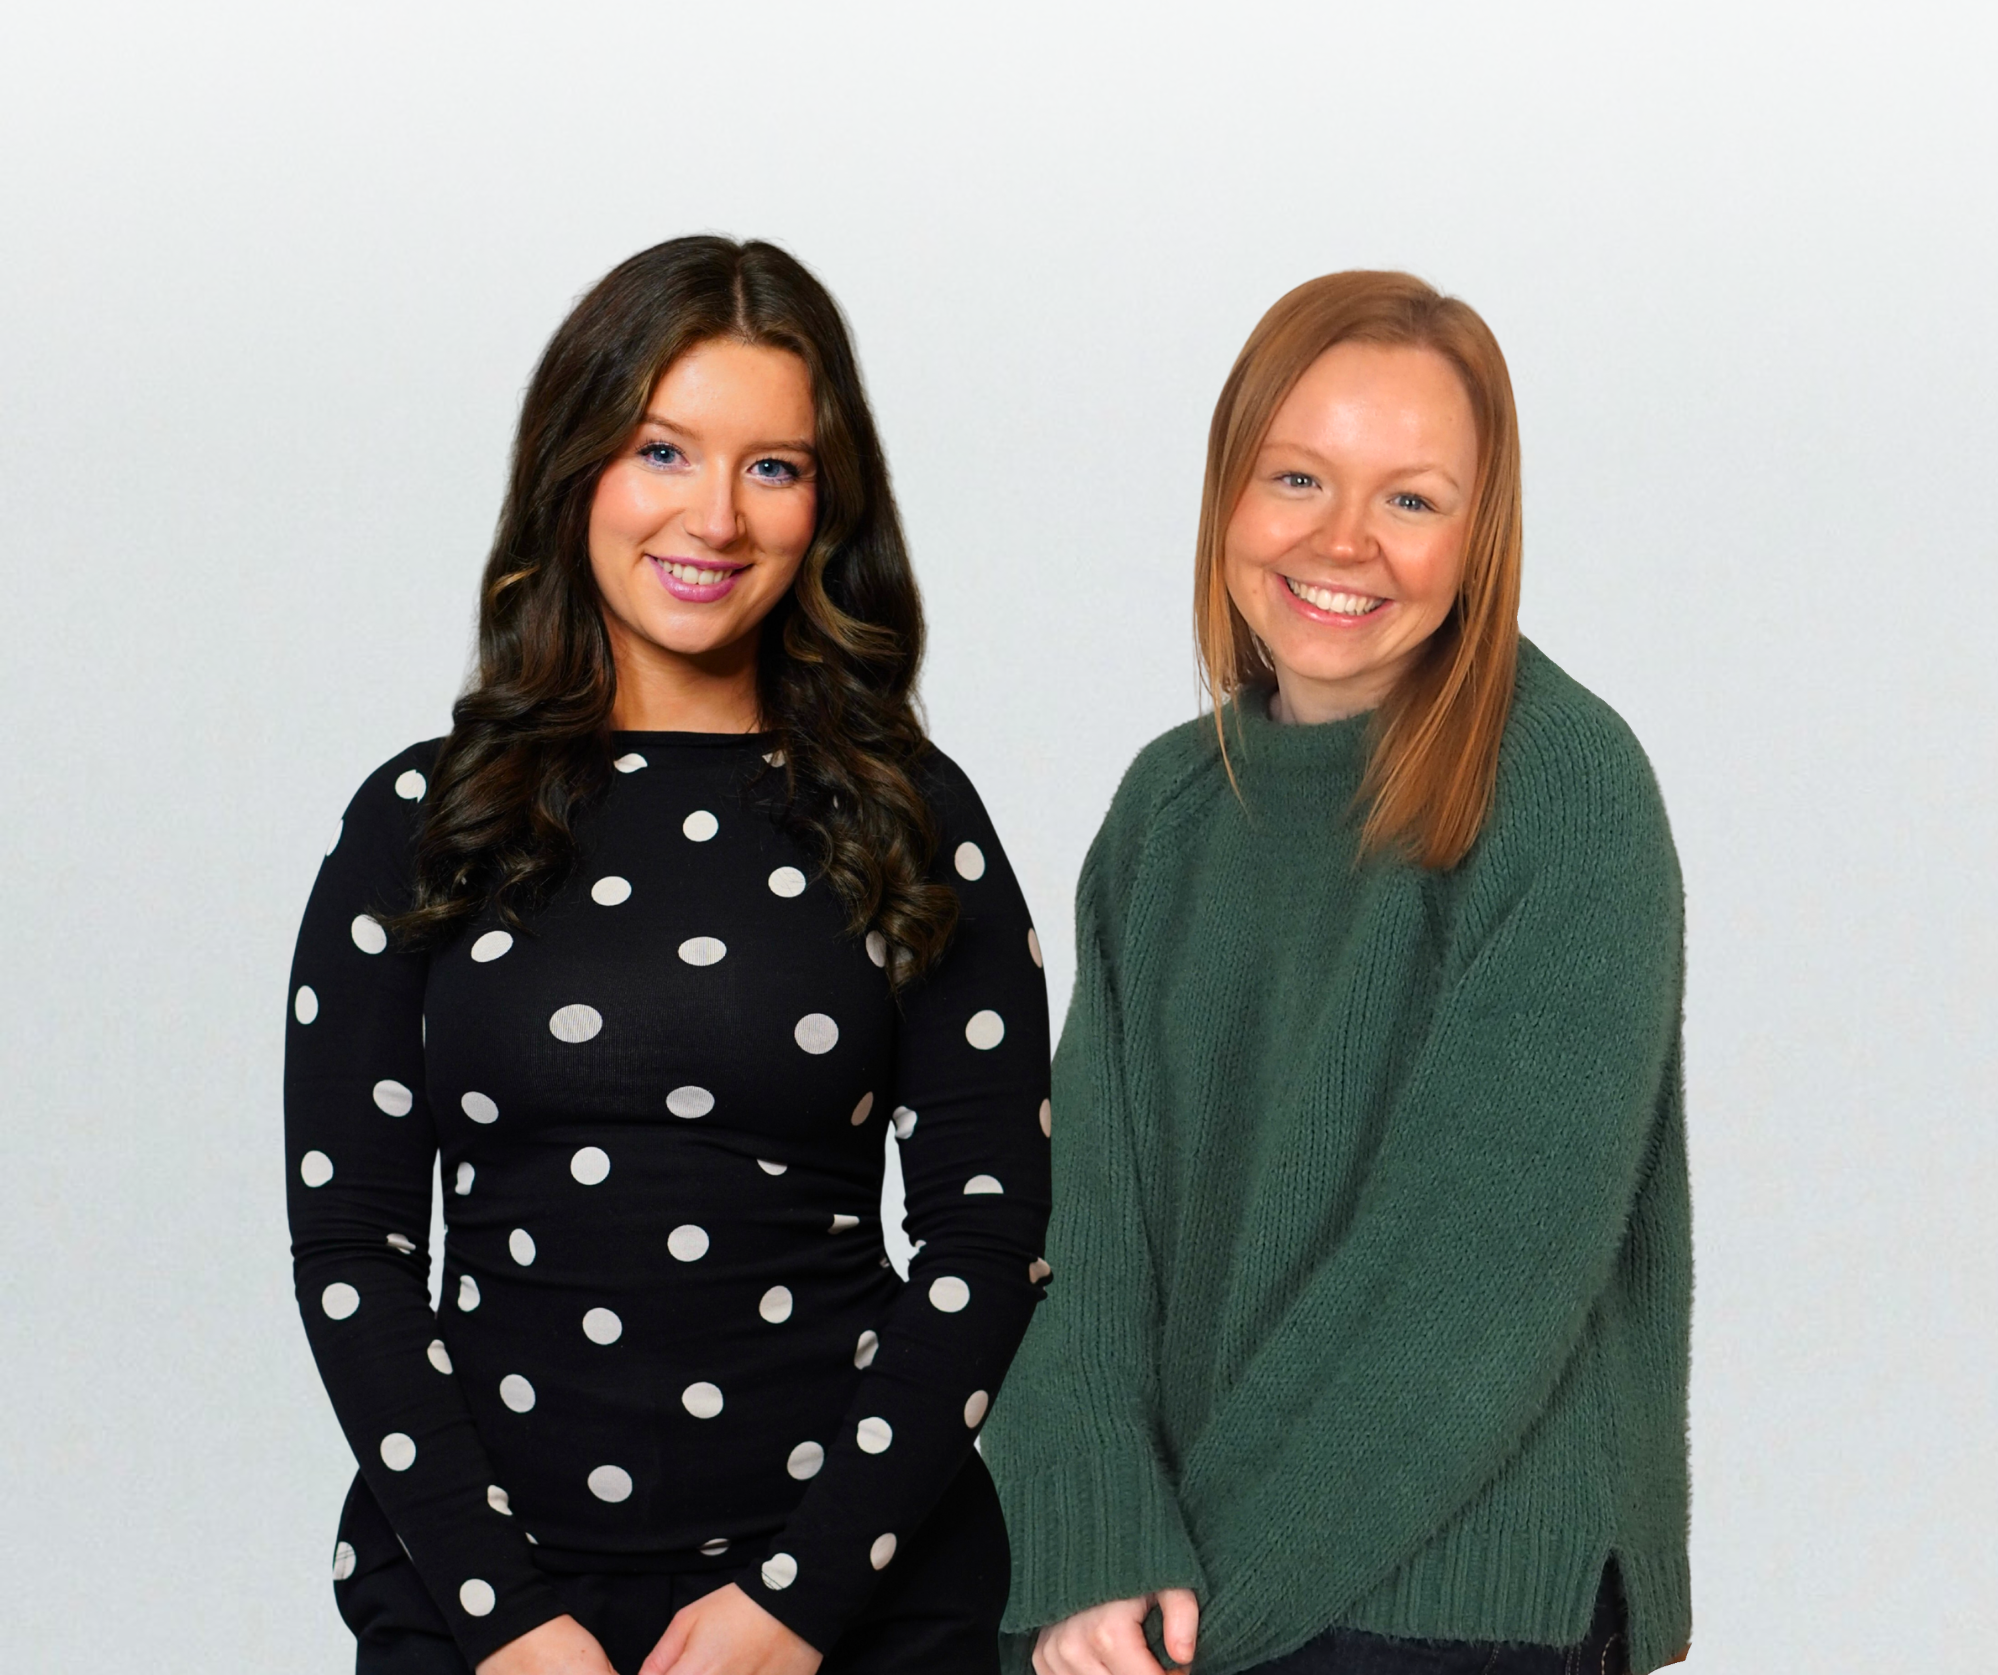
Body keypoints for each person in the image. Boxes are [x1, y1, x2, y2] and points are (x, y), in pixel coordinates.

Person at [284, 236, 1052, 1675]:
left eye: (774, 465)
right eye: (662, 450)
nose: (716, 515)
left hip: (855, 1595)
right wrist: (504, 1622)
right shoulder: (417, 819)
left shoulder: (908, 815)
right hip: (481, 1597)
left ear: (829, 504)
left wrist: (795, 1603)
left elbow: (986, 1239)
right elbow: (356, 1252)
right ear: (576, 466)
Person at [983, 271, 1690, 1675]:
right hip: (1166, 1595)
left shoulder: (1562, 789)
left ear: (1480, 538)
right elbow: (1085, 1236)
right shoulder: (1168, 811)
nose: (1342, 541)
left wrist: (1190, 1617)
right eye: (1295, 477)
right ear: (1226, 494)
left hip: (1445, 1595)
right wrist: (1096, 1545)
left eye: (1412, 499)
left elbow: (1468, 1289)